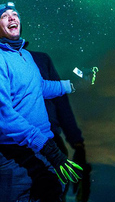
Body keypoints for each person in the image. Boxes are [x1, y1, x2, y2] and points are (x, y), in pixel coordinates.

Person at [0, 2, 83, 202]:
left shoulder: (25, 55)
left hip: (44, 154)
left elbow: (39, 87)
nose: (12, 18)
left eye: (15, 14)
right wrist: (49, 149)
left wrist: (71, 84)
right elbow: (4, 116)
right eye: (4, 16)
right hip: (14, 159)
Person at [30, 50, 91, 202]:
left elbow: (60, 100)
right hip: (37, 141)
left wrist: (77, 142)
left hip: (36, 141)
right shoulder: (40, 59)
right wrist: (77, 142)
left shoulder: (41, 59)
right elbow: (61, 102)